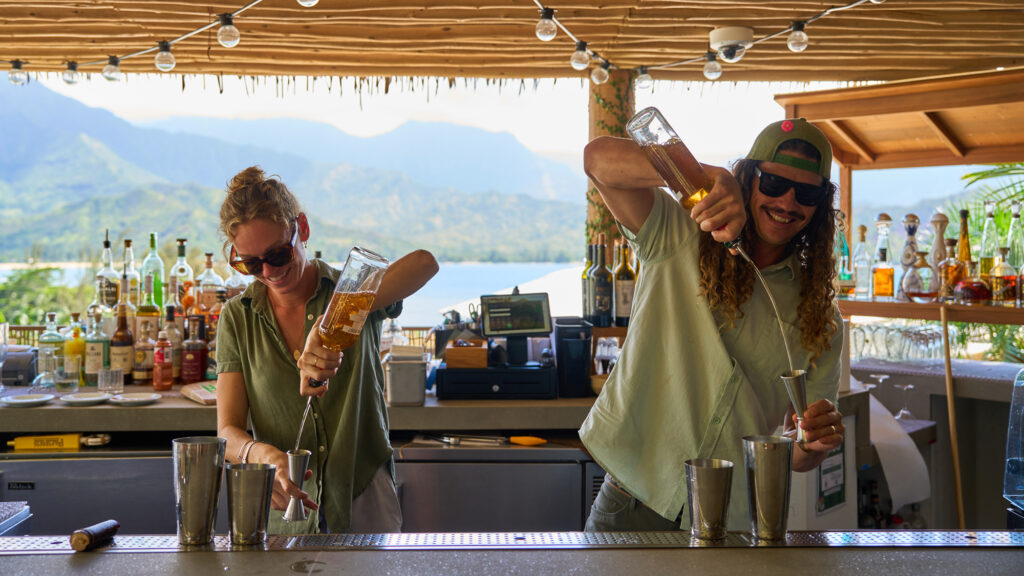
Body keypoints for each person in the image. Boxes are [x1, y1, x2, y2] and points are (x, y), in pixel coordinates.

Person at [580, 117, 846, 531]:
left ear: (820, 206)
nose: (788, 202)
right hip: (633, 501)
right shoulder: (677, 233)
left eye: (807, 193)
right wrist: (703, 176)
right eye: (774, 184)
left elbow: (800, 454)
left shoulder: (821, 316)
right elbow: (598, 160)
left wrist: (814, 442)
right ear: (748, 179)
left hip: (731, 519)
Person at [215, 166, 438, 534]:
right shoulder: (238, 317)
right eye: (251, 263)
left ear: (301, 228)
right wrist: (260, 454)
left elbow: (425, 262)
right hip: (283, 512)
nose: (268, 271)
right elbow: (228, 431)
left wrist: (332, 321)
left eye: (278, 254)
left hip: (362, 497)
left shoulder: (351, 291)